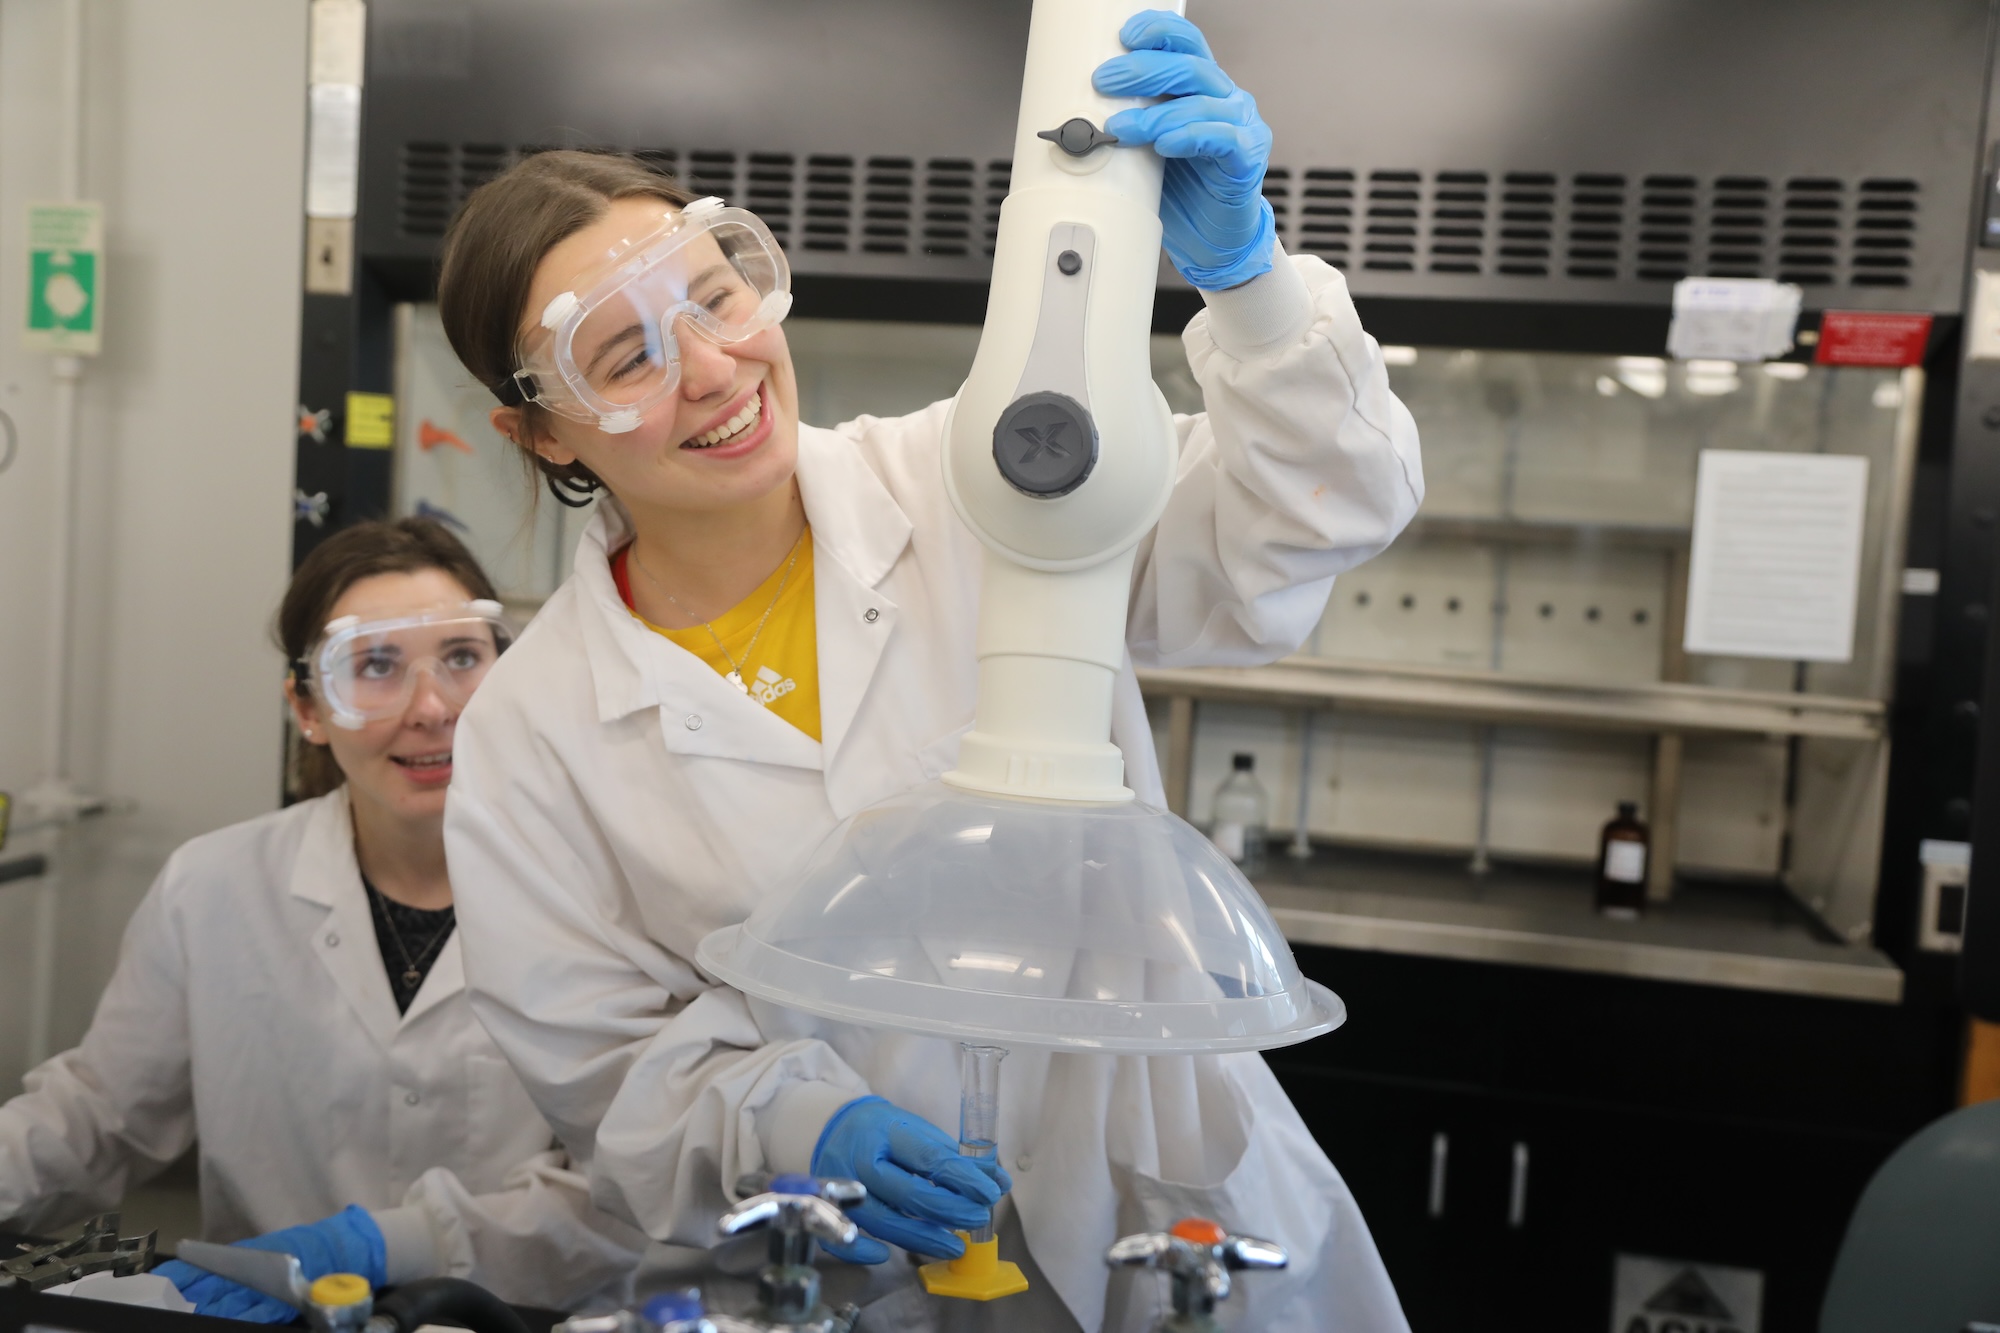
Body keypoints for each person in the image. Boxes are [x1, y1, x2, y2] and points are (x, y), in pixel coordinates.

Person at [439, 12, 1421, 1332]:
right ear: (537, 426)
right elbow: (604, 1068)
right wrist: (801, 1116)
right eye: (627, 356)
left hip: (1177, 1222)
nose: (716, 367)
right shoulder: (531, 730)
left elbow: (1313, 514)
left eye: (716, 294)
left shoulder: (984, 477)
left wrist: (1247, 281)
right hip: (852, 1268)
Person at [0, 519, 644, 1320]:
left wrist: (389, 1242)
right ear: (307, 707)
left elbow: (635, 1181)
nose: (432, 707)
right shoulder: (214, 886)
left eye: (462, 658)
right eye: (375, 665)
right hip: (277, 1313)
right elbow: (98, 1118)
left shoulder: (613, 895)